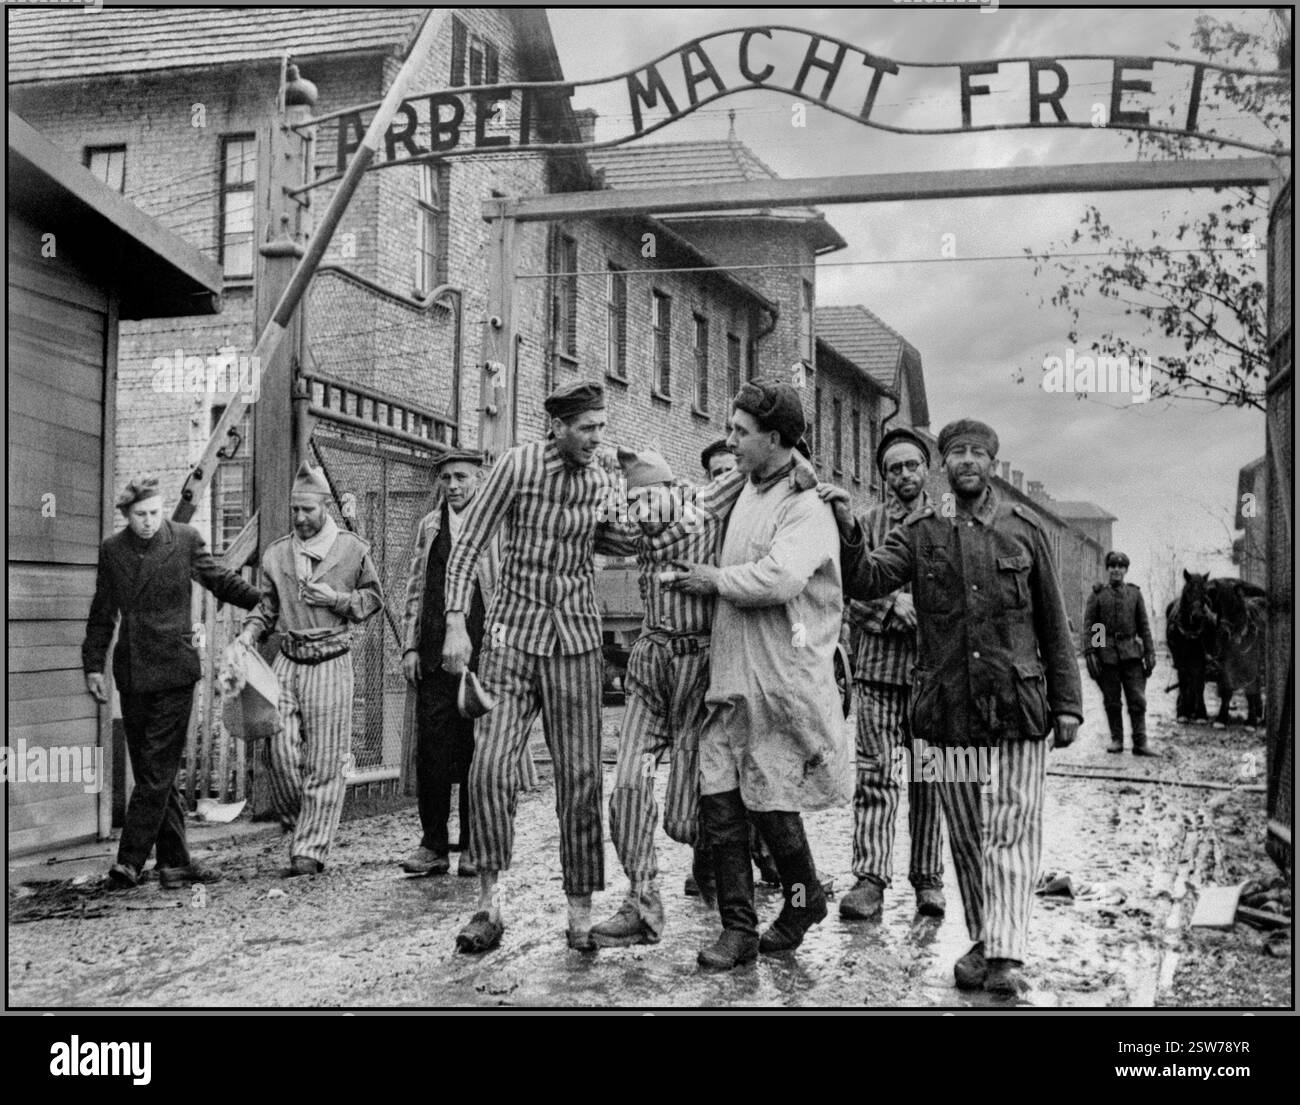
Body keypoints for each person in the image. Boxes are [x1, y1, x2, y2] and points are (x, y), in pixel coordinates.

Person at [828, 419, 1082, 997]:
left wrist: (1067, 703)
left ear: (991, 461)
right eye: (957, 453)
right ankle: (988, 938)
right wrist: (846, 525)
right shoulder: (921, 532)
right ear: (944, 465)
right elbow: (865, 580)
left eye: (977, 452)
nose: (967, 460)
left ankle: (1005, 957)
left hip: (1019, 702)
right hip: (947, 709)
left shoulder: (1025, 530)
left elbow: (1053, 620)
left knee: (1014, 825)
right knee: (967, 835)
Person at [669, 379, 851, 970]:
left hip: (780, 679)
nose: (730, 441)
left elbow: (780, 579)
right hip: (731, 673)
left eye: (741, 433)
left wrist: (714, 579)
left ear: (775, 439)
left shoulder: (807, 505)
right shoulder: (745, 487)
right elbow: (685, 508)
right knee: (719, 799)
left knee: (772, 803)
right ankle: (738, 930)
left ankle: (803, 901)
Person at [442, 380, 626, 953]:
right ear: (558, 427)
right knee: (490, 770)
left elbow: (618, 539)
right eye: (588, 428)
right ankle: (487, 907)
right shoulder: (518, 467)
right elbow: (469, 542)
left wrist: (647, 512)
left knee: (580, 779)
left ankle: (579, 915)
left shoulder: (601, 478)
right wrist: (454, 621)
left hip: (575, 641)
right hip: (510, 639)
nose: (598, 437)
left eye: (601, 426)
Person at [83, 476, 260, 890]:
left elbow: (220, 580)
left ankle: (128, 861)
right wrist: (94, 664)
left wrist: (263, 601)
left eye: (155, 513)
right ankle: (176, 863)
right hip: (134, 671)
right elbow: (102, 612)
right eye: (140, 515)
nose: (149, 522)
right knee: (151, 771)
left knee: (156, 769)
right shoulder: (112, 551)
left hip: (175, 671)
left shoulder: (184, 540)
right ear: (126, 515)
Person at [234, 461, 382, 876]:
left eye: (308, 511)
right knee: (277, 747)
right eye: (295, 510)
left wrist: (336, 599)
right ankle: (306, 821)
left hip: (332, 660)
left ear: (325, 508)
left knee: (324, 761)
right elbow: (266, 607)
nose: (300, 518)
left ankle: (310, 851)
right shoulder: (277, 554)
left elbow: (372, 601)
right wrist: (249, 633)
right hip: (288, 658)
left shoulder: (353, 549)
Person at [838, 427, 946, 924]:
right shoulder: (864, 524)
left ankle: (927, 878)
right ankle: (870, 878)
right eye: (893, 468)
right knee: (876, 775)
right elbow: (844, 589)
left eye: (912, 465)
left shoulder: (949, 525)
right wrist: (889, 605)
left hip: (933, 677)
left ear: (928, 470)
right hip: (878, 672)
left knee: (930, 779)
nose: (904, 474)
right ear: (883, 477)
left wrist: (923, 609)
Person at [399, 448, 497, 877]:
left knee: (478, 751)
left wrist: (499, 646)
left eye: (462, 477)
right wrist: (410, 646)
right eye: (447, 478)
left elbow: (505, 590)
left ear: (479, 478)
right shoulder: (431, 526)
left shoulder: (496, 525)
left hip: (483, 657)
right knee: (433, 753)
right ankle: (433, 844)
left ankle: (474, 845)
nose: (454, 486)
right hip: (435, 656)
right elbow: (416, 588)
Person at [1084, 552, 1157, 756]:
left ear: (1126, 570)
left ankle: (1140, 742)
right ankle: (1117, 740)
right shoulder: (1098, 595)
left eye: (1120, 566)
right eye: (1112, 566)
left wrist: (1149, 652)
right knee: (1112, 700)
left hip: (1132, 655)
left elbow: (1144, 626)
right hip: (1108, 658)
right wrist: (1093, 652)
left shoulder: (1134, 594)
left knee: (1137, 699)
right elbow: (1093, 625)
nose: (1116, 569)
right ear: (1107, 569)